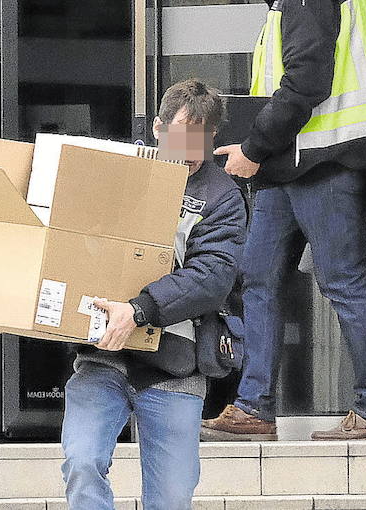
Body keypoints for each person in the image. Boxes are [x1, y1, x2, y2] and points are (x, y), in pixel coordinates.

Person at [204, 0, 366, 441]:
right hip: (296, 165)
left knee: (341, 281)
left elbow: (303, 85)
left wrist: (251, 149)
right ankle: (254, 406)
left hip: (323, 162)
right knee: (259, 278)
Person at [61, 79, 247, 510]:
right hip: (102, 356)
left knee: (172, 499)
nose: (189, 147)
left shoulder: (222, 197)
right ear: (159, 128)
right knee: (82, 463)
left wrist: (139, 310)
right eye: (181, 134)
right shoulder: (121, 170)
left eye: (200, 137)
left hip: (175, 365)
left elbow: (212, 276)